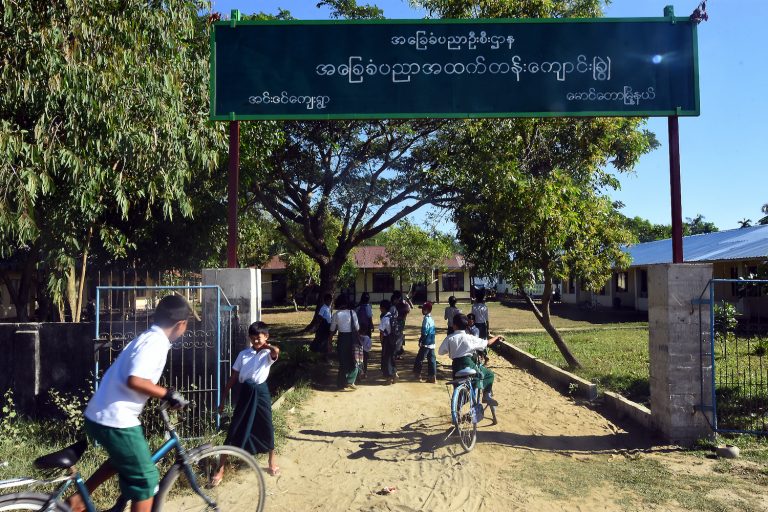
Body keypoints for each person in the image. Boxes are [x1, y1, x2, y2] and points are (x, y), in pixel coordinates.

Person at [69, 295, 193, 512]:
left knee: (122, 461)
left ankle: (78, 500)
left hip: (99, 415)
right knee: (146, 480)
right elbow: (135, 379)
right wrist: (168, 394)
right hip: (116, 419)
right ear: (181, 324)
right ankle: (79, 501)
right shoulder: (156, 343)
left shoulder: (146, 337)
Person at [217, 321, 280, 479]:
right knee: (235, 426)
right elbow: (233, 378)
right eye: (252, 338)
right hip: (246, 392)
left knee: (267, 424)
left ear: (266, 337)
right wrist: (223, 398)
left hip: (261, 392)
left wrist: (267, 346)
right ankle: (221, 467)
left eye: (259, 337)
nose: (255, 341)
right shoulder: (243, 354)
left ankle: (272, 460)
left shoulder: (267, 355)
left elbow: (276, 351)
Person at [438, 314, 504, 407]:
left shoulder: (450, 338)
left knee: (459, 383)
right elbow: (487, 343)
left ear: (454, 325)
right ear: (466, 325)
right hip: (468, 363)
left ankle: (459, 405)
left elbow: (440, 352)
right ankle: (485, 396)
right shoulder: (470, 338)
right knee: (488, 374)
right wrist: (497, 337)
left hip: (456, 366)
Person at [330, 294, 360, 390]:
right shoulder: (353, 313)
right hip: (352, 338)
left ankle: (341, 383)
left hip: (342, 339)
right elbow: (357, 328)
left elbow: (332, 330)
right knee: (355, 359)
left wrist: (329, 342)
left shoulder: (336, 314)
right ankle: (350, 381)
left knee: (343, 361)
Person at [412, 302, 437, 383]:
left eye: (423, 309)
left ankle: (417, 375)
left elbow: (424, 332)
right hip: (432, 342)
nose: (422, 310)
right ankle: (432, 376)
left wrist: (420, 340)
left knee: (419, 359)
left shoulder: (426, 319)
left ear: (427, 310)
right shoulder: (431, 319)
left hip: (426, 342)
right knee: (431, 360)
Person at [379, 299, 398, 384]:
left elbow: (382, 332)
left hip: (387, 340)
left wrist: (381, 342)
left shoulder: (384, 319)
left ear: (383, 308)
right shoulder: (392, 316)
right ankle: (395, 374)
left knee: (386, 359)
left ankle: (389, 377)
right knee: (392, 357)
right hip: (393, 339)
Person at [394, 291, 412, 358]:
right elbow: (409, 309)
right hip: (400, 321)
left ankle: (398, 351)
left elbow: (409, 309)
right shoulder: (402, 303)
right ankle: (398, 351)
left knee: (398, 336)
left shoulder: (399, 303)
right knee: (398, 336)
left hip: (399, 322)